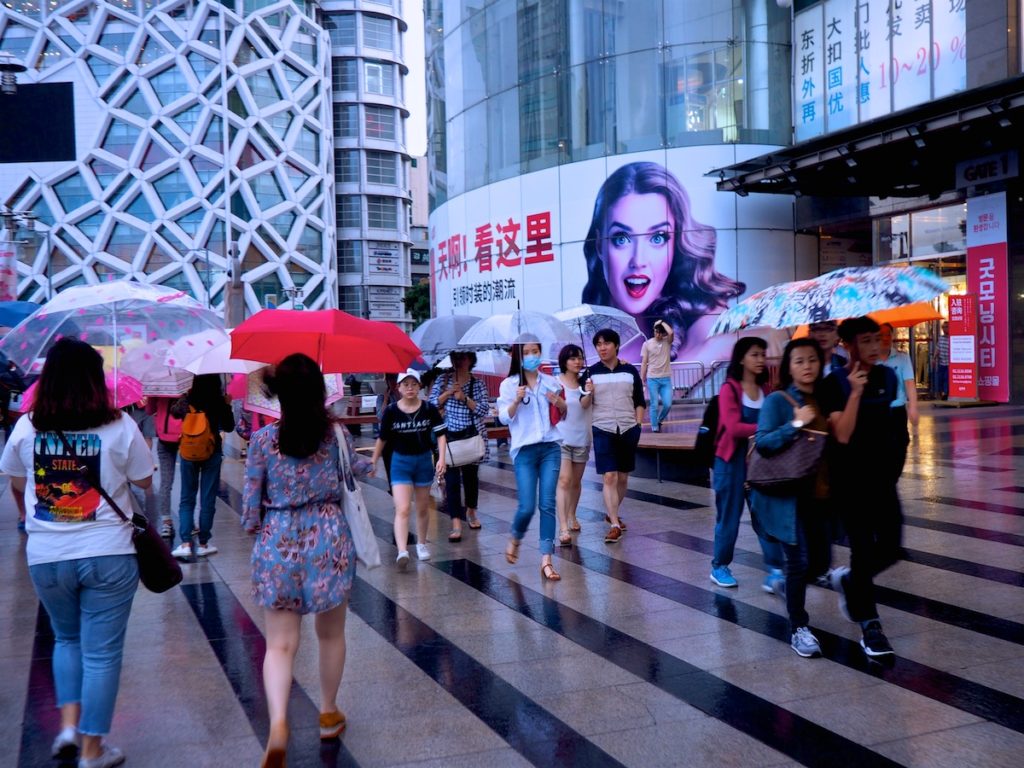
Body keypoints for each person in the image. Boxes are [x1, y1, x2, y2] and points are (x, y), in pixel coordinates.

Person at [0, 338, 153, 768]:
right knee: (102, 653)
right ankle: (92, 750)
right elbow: (144, 481)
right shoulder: (119, 424)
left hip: (47, 554)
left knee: (65, 639)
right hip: (108, 551)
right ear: (95, 380)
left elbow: (12, 478)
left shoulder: (29, 425)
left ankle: (68, 727)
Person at [241, 354, 370, 768]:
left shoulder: (263, 442)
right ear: (319, 392)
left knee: (280, 645)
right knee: (330, 635)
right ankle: (329, 713)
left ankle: (279, 723)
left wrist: (259, 528)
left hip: (278, 540)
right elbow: (350, 474)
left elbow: (249, 509)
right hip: (328, 538)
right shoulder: (335, 437)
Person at [581, 161, 744, 362]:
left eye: (657, 238)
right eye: (621, 238)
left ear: (676, 242)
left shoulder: (705, 329)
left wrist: (712, 350)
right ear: (599, 245)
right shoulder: (583, 343)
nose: (638, 260)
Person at [822, 317, 902, 659]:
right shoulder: (833, 384)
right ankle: (870, 626)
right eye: (866, 341)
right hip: (849, 483)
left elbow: (898, 430)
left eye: (877, 340)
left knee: (891, 547)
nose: (874, 347)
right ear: (847, 345)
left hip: (883, 481)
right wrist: (855, 392)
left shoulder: (888, 376)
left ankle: (851, 581)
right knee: (863, 550)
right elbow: (842, 434)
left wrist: (894, 470)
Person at [749, 339, 833, 658]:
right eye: (799, 361)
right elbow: (764, 442)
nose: (807, 366)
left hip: (822, 495)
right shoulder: (778, 401)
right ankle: (799, 627)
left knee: (820, 563)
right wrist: (796, 423)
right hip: (789, 497)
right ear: (788, 367)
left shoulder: (827, 397)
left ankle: (788, 586)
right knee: (798, 562)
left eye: (812, 359)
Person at [709, 337, 785, 591]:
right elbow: (732, 428)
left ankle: (775, 569)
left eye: (763, 354)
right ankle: (720, 566)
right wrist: (765, 428)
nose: (761, 359)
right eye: (755, 354)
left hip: (760, 465)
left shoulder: (767, 391)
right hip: (730, 463)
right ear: (741, 358)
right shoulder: (730, 389)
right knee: (729, 516)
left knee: (765, 515)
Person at [497, 336, 565, 580]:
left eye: (536, 351)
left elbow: (563, 414)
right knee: (526, 506)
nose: (532, 356)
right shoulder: (509, 385)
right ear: (518, 356)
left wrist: (559, 402)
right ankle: (516, 535)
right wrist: (516, 399)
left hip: (550, 448)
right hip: (524, 451)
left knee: (547, 503)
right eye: (527, 352)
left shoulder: (551, 382)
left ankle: (546, 559)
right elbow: (504, 418)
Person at [370, 369, 447, 570]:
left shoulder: (429, 409)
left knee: (422, 507)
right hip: (400, 463)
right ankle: (402, 550)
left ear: (419, 387)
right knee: (403, 508)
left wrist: (442, 459)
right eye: (406, 384)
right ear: (399, 387)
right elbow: (383, 438)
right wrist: (374, 460)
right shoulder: (392, 411)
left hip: (422, 461)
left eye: (414, 384)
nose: (410, 388)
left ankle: (421, 543)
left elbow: (440, 435)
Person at [579, 328, 646, 544]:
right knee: (609, 476)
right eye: (598, 344)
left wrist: (638, 424)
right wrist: (588, 392)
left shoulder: (629, 371)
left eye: (606, 343)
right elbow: (583, 405)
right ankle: (615, 524)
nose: (602, 348)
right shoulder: (590, 373)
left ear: (616, 346)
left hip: (628, 428)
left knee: (623, 478)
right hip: (603, 428)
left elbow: (639, 400)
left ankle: (612, 512)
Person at [169, 374, 234, 559]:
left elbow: (174, 412)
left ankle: (185, 543)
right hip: (212, 452)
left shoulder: (188, 399)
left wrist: (185, 397)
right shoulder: (219, 401)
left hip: (188, 452)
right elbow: (229, 427)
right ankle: (204, 542)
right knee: (208, 499)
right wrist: (227, 404)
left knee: (186, 498)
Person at [430, 352, 490, 540]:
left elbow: (483, 409)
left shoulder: (477, 383)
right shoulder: (443, 379)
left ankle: (471, 511)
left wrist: (464, 398)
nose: (459, 361)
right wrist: (448, 393)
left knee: (471, 478)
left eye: (463, 357)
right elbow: (430, 405)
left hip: (472, 435)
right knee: (452, 482)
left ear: (471, 360)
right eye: (455, 357)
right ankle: (456, 522)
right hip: (449, 438)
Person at [555, 344, 593, 545]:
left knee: (576, 482)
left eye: (579, 358)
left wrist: (588, 392)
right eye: (572, 358)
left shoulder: (585, 383)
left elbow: (585, 405)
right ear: (564, 361)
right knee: (564, 480)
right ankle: (563, 527)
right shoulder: (555, 383)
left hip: (582, 438)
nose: (577, 362)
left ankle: (572, 515)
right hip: (561, 439)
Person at [879, 322, 918, 478]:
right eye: (881, 335)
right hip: (877, 412)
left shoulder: (902, 357)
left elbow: (909, 382)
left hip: (897, 410)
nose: (885, 338)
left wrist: (913, 407)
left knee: (900, 445)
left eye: (888, 334)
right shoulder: (869, 361)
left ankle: (892, 477)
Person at [146, 396, 183, 539]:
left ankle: (166, 522)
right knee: (188, 482)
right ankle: (189, 521)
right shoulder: (187, 380)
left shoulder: (158, 382)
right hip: (185, 435)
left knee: (165, 482)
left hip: (164, 436)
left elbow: (150, 410)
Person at [640, 319, 674, 432]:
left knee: (668, 404)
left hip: (666, 378)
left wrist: (662, 322)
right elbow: (644, 362)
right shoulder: (647, 344)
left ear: (663, 333)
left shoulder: (667, 341)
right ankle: (655, 427)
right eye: (656, 331)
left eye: (660, 332)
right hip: (652, 378)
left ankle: (659, 420)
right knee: (654, 404)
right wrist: (642, 378)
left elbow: (671, 333)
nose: (657, 334)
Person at [932, 320, 949, 399]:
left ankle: (946, 394)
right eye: (943, 327)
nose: (944, 329)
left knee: (946, 378)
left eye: (946, 327)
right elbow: (937, 348)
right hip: (942, 363)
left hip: (949, 364)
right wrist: (934, 358)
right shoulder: (941, 338)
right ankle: (940, 393)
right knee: (940, 378)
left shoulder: (952, 338)